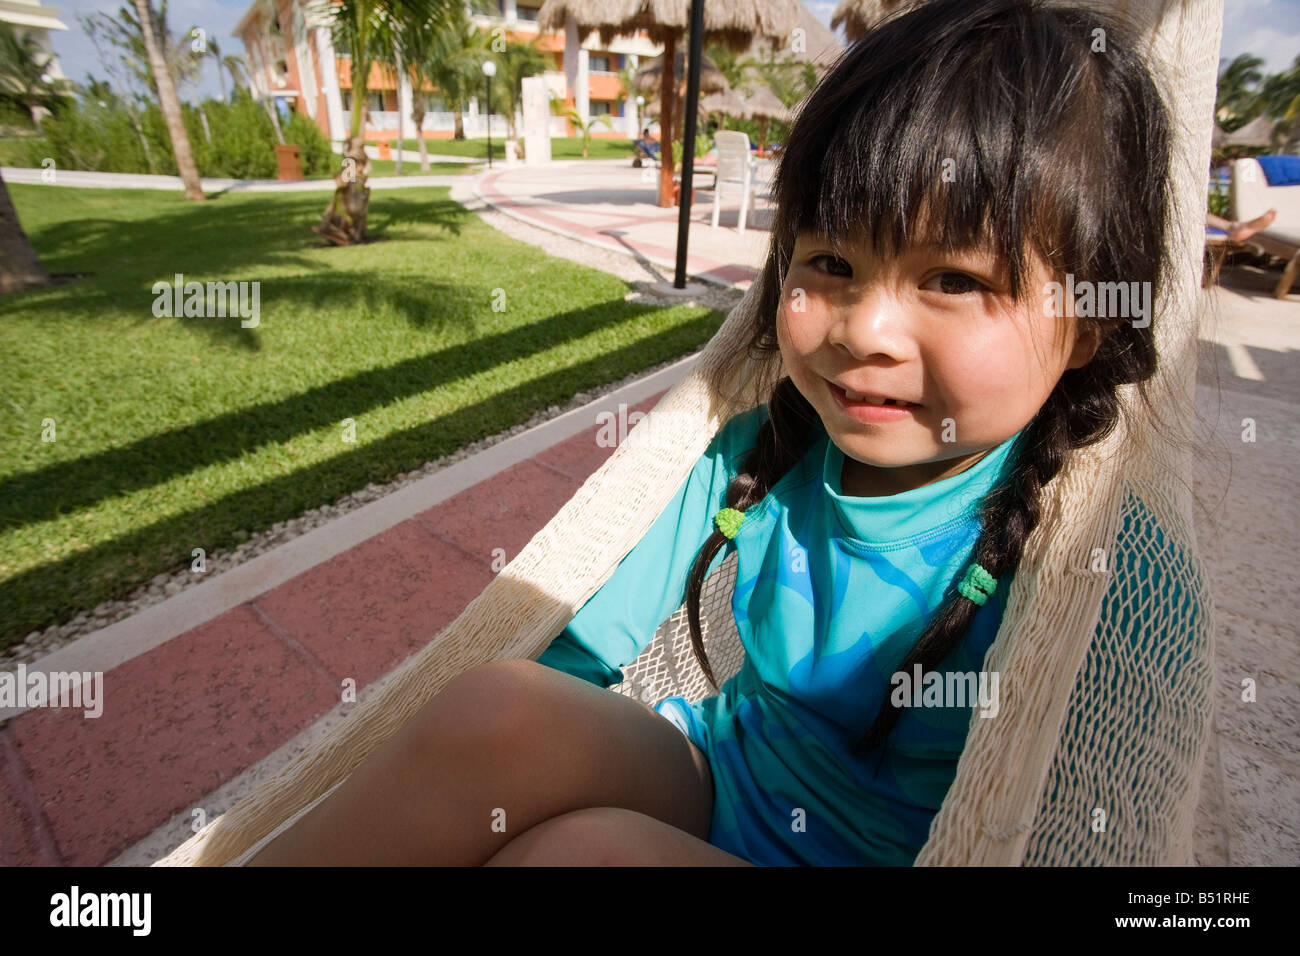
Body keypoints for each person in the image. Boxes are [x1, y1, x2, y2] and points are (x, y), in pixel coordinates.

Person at [245, 0, 1200, 866]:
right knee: (500, 710)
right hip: (720, 778)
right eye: (829, 261)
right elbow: (576, 646)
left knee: (585, 857)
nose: (862, 331)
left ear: (1093, 322)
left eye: (952, 279)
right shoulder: (762, 452)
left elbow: (1101, 839)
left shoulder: (1103, 575)